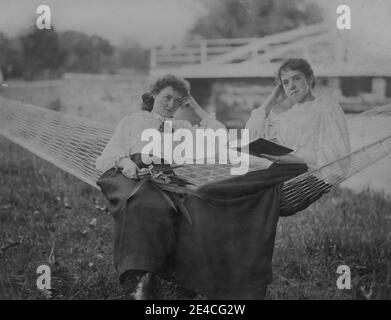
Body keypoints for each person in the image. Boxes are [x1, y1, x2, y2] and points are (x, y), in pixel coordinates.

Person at [95, 74, 226, 299]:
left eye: (177, 101)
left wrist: (193, 104)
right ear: (154, 94)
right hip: (130, 175)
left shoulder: (182, 127)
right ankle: (140, 277)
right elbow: (107, 156)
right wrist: (127, 164)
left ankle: (179, 277)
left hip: (165, 179)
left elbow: (220, 137)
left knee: (195, 207)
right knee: (144, 203)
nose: (171, 105)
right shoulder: (133, 121)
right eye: (167, 97)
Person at [245, 58, 351, 170]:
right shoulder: (285, 117)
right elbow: (250, 139)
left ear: (309, 79)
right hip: (280, 173)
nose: (291, 86)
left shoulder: (327, 108)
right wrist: (270, 102)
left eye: (296, 78)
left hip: (305, 178)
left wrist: (294, 160)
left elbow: (337, 158)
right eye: (285, 83)